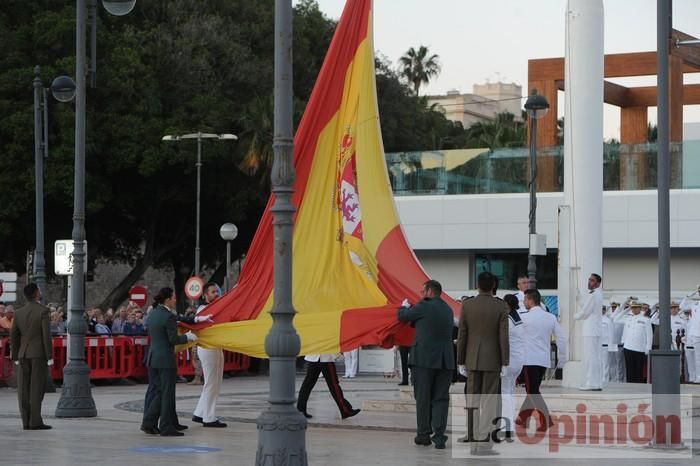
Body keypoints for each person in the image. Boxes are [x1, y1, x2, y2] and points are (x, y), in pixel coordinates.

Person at [398, 279, 455, 450]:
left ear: (430, 291)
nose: (421, 294)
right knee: (441, 399)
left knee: (423, 398)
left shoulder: (424, 306)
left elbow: (403, 317)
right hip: (445, 361)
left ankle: (423, 434)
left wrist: (403, 306)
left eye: (423, 291)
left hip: (423, 360)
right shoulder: (448, 309)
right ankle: (439, 437)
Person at [456, 272, 509, 455]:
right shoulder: (500, 306)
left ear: (477, 285)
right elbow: (503, 336)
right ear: (493, 284)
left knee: (472, 401)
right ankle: (484, 443)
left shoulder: (468, 305)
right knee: (489, 402)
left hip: (471, 359)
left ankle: (472, 442)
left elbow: (462, 334)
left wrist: (460, 359)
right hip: (493, 360)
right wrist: (505, 361)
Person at [141, 287, 198, 436]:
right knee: (166, 393)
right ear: (167, 300)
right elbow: (173, 339)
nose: (175, 300)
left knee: (159, 391)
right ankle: (164, 426)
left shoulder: (153, 313)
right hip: (165, 359)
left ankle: (162, 422)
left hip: (153, 358)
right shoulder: (168, 316)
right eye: (173, 298)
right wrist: (188, 337)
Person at [517, 289, 567, 432]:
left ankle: (545, 420)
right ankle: (523, 418)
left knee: (532, 390)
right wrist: (561, 358)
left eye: (525, 300)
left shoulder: (524, 318)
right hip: (543, 360)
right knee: (533, 389)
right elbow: (561, 338)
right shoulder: (550, 317)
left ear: (530, 300)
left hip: (529, 359)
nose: (524, 303)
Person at [10, 283, 53, 430]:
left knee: (23, 389)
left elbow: (13, 336)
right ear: (36, 293)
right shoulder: (43, 311)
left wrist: (15, 355)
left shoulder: (18, 312)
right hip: (38, 354)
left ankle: (25, 421)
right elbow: (46, 336)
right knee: (36, 388)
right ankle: (35, 421)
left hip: (23, 353)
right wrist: (50, 355)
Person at [191, 282, 226, 428]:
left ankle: (199, 413)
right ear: (205, 295)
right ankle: (209, 417)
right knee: (212, 382)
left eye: (217, 291)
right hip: (208, 348)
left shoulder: (213, 308)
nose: (216, 294)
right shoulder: (204, 309)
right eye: (213, 292)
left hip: (215, 347)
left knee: (214, 382)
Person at [296, 353, 361, 420]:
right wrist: (338, 355)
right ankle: (345, 410)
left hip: (313, 358)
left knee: (307, 385)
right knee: (334, 385)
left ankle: (300, 410)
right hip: (325, 358)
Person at [501, 294, 525, 442]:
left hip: (509, 361)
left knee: (505, 394)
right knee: (509, 393)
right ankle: (508, 426)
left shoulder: (507, 320)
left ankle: (507, 428)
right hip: (518, 361)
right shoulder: (518, 318)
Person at [574, 273, 604, 390]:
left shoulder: (594, 295)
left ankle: (591, 383)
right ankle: (596, 382)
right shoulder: (596, 294)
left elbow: (585, 312)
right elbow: (587, 307)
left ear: (597, 283)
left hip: (591, 330)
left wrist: (575, 316)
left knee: (590, 357)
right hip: (593, 330)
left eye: (592, 280)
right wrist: (579, 298)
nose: (589, 282)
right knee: (593, 357)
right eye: (589, 280)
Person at [613, 300, 652, 383]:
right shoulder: (628, 319)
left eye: (636, 307)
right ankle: (630, 386)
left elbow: (649, 335)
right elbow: (616, 319)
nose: (634, 310)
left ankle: (638, 388)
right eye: (633, 308)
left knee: (638, 371)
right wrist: (627, 309)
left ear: (640, 308)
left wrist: (648, 348)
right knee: (629, 371)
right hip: (628, 347)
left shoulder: (646, 320)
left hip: (640, 348)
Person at [600, 306, 616, 385]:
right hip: (597, 346)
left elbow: (611, 334)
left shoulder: (608, 321)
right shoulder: (595, 319)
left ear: (604, 310)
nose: (601, 311)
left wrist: (611, 347)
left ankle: (605, 381)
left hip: (605, 346)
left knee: (605, 364)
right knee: (598, 364)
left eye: (602, 309)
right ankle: (599, 379)